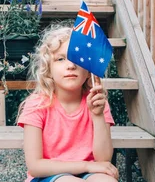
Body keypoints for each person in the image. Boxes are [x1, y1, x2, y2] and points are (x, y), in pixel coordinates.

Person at [17, 24, 119, 182]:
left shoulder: (97, 103)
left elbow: (103, 159)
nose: (71, 65)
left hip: (89, 174)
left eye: (78, 59)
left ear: (88, 72)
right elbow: (35, 166)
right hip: (48, 176)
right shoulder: (36, 105)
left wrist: (97, 116)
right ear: (48, 70)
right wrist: (86, 166)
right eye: (61, 59)